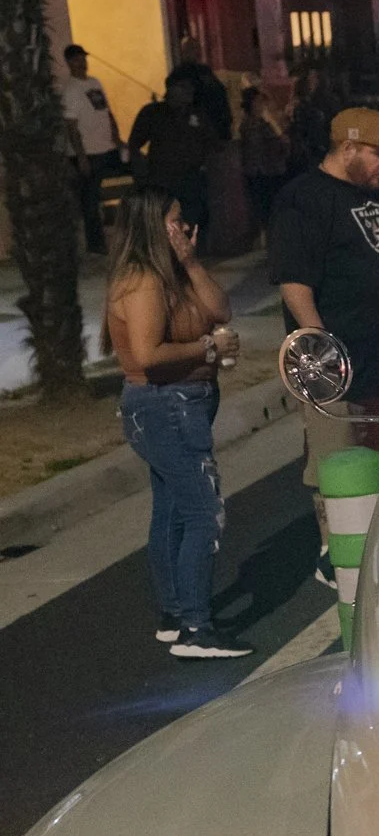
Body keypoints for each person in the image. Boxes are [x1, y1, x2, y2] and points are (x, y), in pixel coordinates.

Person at [101, 185, 253, 659]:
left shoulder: (171, 273)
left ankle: (175, 614)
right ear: (152, 225)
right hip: (165, 404)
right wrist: (207, 349)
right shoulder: (142, 281)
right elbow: (148, 354)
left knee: (170, 508)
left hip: (182, 402)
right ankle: (195, 629)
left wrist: (190, 262)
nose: (184, 226)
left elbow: (220, 309)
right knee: (204, 513)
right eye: (175, 219)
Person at [269, 108, 379, 566]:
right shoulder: (303, 200)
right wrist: (320, 348)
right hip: (341, 366)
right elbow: (294, 280)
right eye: (377, 154)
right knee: (337, 466)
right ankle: (335, 554)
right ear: (348, 148)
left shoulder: (377, 191)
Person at [128, 73, 221, 236]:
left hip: (192, 177)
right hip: (163, 178)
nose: (189, 91)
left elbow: (212, 141)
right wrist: (141, 169)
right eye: (184, 87)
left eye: (190, 87)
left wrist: (206, 162)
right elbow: (135, 143)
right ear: (171, 90)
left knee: (192, 218)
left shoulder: (197, 114)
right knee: (165, 219)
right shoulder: (154, 113)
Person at [59, 44, 124, 254]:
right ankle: (95, 244)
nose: (82, 63)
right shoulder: (71, 91)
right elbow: (71, 126)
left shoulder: (95, 83)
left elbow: (106, 111)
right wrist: (81, 157)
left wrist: (116, 136)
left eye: (83, 58)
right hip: (88, 153)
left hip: (107, 148)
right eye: (77, 59)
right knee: (90, 199)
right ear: (69, 62)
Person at [239, 86, 290, 235]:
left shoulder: (262, 122)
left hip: (268, 168)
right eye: (258, 102)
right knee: (264, 204)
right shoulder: (251, 124)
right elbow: (257, 146)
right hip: (261, 169)